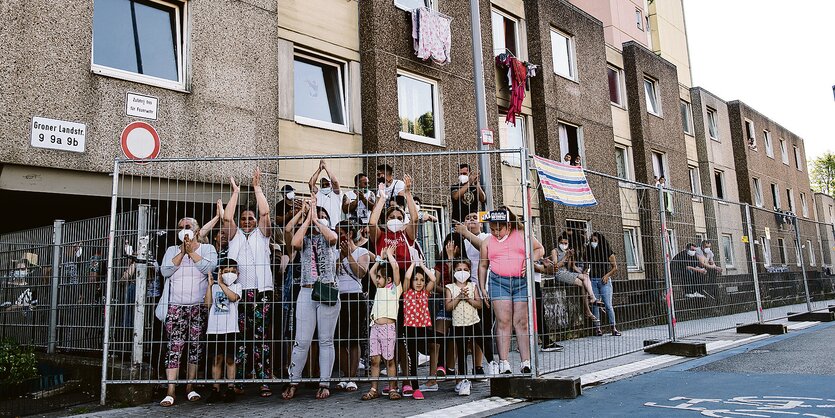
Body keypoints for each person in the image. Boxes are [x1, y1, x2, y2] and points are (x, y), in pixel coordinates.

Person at [222, 169, 274, 397]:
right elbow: (226, 218)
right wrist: (235, 193)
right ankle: (241, 380)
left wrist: (257, 188)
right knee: (242, 337)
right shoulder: (234, 236)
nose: (246, 221)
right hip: (240, 294)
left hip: (261, 293)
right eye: (243, 219)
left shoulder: (262, 235)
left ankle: (263, 379)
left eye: (249, 218)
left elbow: (266, 212)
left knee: (261, 337)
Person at [284, 196, 340, 400]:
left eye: (324, 216)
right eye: (318, 215)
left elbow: (332, 238)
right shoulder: (305, 238)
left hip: (327, 290)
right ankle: (293, 381)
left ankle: (324, 383)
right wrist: (307, 216)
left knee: (326, 340)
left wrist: (317, 220)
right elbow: (294, 239)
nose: (320, 218)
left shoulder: (331, 237)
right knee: (302, 340)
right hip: (307, 291)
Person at [159, 217, 218, 407]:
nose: (183, 230)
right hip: (176, 306)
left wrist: (191, 252)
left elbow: (209, 268)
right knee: (174, 348)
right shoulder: (171, 250)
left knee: (195, 347)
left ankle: (190, 387)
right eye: (180, 227)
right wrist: (182, 253)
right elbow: (165, 271)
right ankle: (170, 390)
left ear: (196, 230)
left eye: (187, 227)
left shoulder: (207, 249)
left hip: (198, 307)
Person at [478, 208, 544, 375]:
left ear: (508, 225)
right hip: (498, 282)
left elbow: (539, 249)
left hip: (521, 282)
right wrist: (482, 287)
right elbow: (483, 265)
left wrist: (529, 262)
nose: (495, 233)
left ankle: (526, 362)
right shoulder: (487, 242)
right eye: (492, 229)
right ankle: (504, 362)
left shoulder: (522, 234)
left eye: (499, 229)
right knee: (503, 321)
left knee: (521, 322)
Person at [454, 213, 498, 376]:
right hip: (466, 291)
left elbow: (486, 249)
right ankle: (464, 371)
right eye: (467, 217)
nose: (471, 220)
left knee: (484, 330)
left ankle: (482, 365)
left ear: (480, 221)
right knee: (468, 330)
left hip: (485, 290)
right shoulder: (461, 242)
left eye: (474, 217)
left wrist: (466, 232)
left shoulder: (487, 236)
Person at [361, 246, 402, 401]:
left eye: (380, 277)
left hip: (388, 328)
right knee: (374, 359)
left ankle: (392, 388)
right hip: (375, 328)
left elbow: (396, 268)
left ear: (389, 280)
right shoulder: (378, 289)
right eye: (377, 277)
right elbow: (371, 272)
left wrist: (390, 256)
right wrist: (380, 259)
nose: (376, 279)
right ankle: (373, 388)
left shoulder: (394, 290)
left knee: (389, 359)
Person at [335, 220, 371, 393]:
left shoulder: (362, 252)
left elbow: (361, 273)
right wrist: (340, 256)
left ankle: (352, 376)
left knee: (354, 338)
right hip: (338, 297)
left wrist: (349, 255)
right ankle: (344, 375)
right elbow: (331, 272)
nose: (337, 236)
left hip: (355, 296)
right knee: (340, 338)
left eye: (340, 232)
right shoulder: (334, 252)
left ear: (349, 234)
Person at [204, 258, 242, 404]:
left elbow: (233, 298)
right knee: (216, 359)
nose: (230, 274)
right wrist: (210, 285)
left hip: (230, 329)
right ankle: (216, 388)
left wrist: (221, 284)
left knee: (230, 359)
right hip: (214, 329)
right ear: (220, 272)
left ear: (237, 273)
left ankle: (231, 388)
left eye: (233, 271)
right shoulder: (213, 288)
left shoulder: (237, 287)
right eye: (226, 272)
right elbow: (207, 304)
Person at [401, 261, 441, 400]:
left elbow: (434, 279)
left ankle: (440, 367)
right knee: (412, 359)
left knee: (440, 338)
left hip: (423, 329)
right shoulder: (407, 292)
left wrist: (422, 266)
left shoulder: (425, 292)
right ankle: (416, 388)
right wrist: (413, 264)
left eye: (422, 280)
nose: (419, 282)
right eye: (416, 279)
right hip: (410, 329)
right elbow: (406, 278)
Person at [544, 233, 605, 321]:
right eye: (562, 243)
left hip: (567, 272)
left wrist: (571, 257)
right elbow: (556, 267)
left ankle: (591, 302)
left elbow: (569, 267)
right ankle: (591, 303)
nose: (563, 245)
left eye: (566, 243)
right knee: (585, 281)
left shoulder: (567, 251)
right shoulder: (555, 251)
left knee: (585, 280)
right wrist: (566, 257)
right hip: (559, 274)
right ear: (558, 242)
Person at [444, 259, 482, 396]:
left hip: (473, 322)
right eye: (459, 270)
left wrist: (469, 299)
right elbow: (448, 307)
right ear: (453, 272)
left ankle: (491, 365)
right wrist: (459, 297)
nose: (462, 273)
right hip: (459, 324)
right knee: (461, 353)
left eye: (466, 270)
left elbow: (479, 304)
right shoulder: (450, 288)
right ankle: (462, 380)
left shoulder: (473, 286)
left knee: (481, 343)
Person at [585, 232, 621, 336]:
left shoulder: (607, 251)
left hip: (604, 281)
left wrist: (607, 276)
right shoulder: (589, 250)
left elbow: (615, 267)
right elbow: (586, 265)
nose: (593, 243)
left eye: (595, 241)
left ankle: (613, 327)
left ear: (600, 241)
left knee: (608, 305)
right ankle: (597, 328)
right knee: (595, 305)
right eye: (591, 241)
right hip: (593, 280)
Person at [310, 159, 343, 229]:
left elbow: (335, 182)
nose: (324, 186)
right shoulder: (318, 194)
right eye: (323, 184)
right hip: (321, 226)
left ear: (330, 184)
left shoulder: (336, 194)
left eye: (327, 184)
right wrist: (320, 169)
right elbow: (311, 184)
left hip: (335, 227)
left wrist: (326, 168)